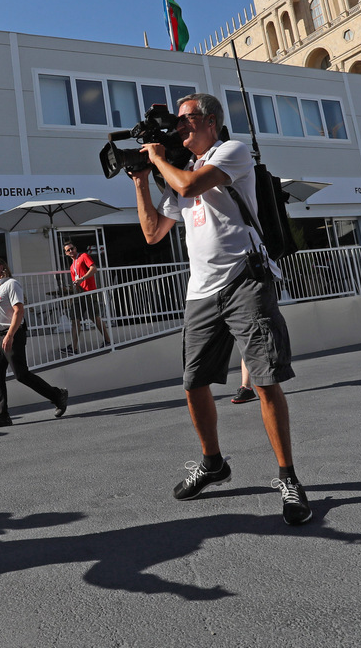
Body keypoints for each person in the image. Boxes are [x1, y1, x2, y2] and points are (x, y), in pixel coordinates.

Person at [131, 92, 311, 525]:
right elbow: (154, 234)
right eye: (176, 122)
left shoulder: (231, 150)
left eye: (186, 119)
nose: (178, 128)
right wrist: (140, 180)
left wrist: (156, 158)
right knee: (194, 383)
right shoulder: (182, 170)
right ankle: (213, 463)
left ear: (210, 120)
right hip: (201, 292)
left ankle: (289, 479)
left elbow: (189, 186)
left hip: (245, 279)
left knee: (265, 382)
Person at [0, 257, 68, 429]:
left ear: (1, 268)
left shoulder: (12, 284)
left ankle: (57, 395)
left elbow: (19, 311)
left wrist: (10, 335)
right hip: (0, 336)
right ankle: (2, 415)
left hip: (12, 334)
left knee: (21, 374)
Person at [61, 240, 111, 354]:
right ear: (66, 253)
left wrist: (82, 278)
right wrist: (75, 289)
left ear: (75, 248)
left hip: (89, 292)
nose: (71, 251)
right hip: (79, 294)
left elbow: (93, 269)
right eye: (68, 250)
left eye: (72, 248)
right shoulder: (72, 266)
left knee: (95, 317)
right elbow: (76, 281)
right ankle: (73, 348)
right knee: (75, 319)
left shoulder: (84, 256)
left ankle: (108, 341)